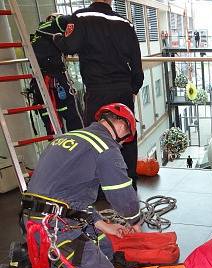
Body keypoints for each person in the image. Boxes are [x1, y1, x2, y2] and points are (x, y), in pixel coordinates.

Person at [15, 103, 141, 268]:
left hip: (35, 218)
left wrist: (106, 226)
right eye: (125, 139)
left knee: (105, 246)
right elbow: (122, 196)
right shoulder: (105, 147)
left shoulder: (68, 138)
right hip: (55, 228)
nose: (122, 144)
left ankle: (48, 258)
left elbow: (72, 198)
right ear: (122, 126)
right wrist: (135, 220)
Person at [53, 0, 144, 190]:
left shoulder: (81, 17)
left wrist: (57, 38)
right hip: (122, 88)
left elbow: (69, 46)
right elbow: (136, 59)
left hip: (98, 89)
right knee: (126, 134)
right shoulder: (125, 23)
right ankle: (128, 183)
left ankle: (102, 187)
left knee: (97, 137)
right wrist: (133, 88)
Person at [30, 13, 83, 134]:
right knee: (73, 115)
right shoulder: (58, 22)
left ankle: (59, 148)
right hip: (56, 80)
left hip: (39, 84)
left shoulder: (38, 34)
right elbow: (74, 19)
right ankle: (80, 144)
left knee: (51, 121)